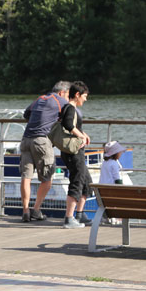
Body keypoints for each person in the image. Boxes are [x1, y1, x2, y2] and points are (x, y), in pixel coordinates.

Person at [18, 81, 70, 222]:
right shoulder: (60, 101)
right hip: (41, 141)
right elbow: (70, 118)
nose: (68, 98)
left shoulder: (40, 99)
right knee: (48, 178)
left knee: (26, 177)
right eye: (68, 95)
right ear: (61, 93)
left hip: (26, 140)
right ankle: (36, 210)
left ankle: (25, 211)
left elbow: (26, 114)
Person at [59, 81, 91, 229]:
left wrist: (83, 133)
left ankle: (79, 214)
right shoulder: (70, 107)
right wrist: (82, 137)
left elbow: (73, 125)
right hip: (74, 152)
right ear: (77, 95)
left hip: (75, 152)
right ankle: (69, 218)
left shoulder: (69, 108)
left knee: (86, 182)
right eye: (84, 96)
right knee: (77, 181)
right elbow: (68, 125)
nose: (85, 99)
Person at [100, 140, 127, 225]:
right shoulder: (114, 164)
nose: (121, 154)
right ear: (115, 153)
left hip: (102, 189)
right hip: (111, 190)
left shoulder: (104, 163)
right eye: (119, 152)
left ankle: (106, 218)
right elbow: (117, 179)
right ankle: (117, 218)